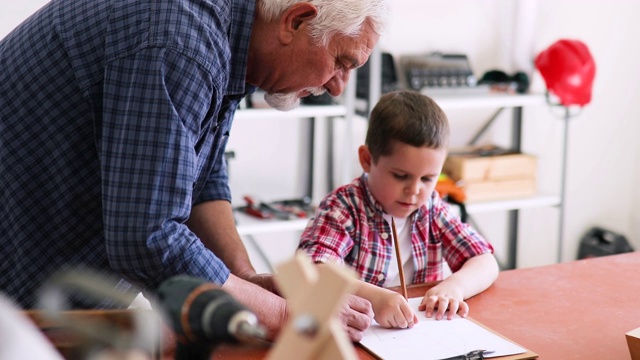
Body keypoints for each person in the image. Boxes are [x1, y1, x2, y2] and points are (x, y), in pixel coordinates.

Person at [0, 0, 388, 341]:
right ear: (296, 21)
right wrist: (286, 316)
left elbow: (201, 175)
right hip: (20, 278)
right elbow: (147, 235)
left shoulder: (233, 37)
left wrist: (246, 279)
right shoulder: (182, 42)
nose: (339, 87)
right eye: (341, 61)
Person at [298, 90, 499, 329]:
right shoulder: (344, 208)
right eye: (400, 176)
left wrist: (454, 287)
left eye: (427, 178)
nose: (414, 190)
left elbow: (485, 261)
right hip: (356, 337)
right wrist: (373, 297)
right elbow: (312, 270)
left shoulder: (431, 208)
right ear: (366, 159)